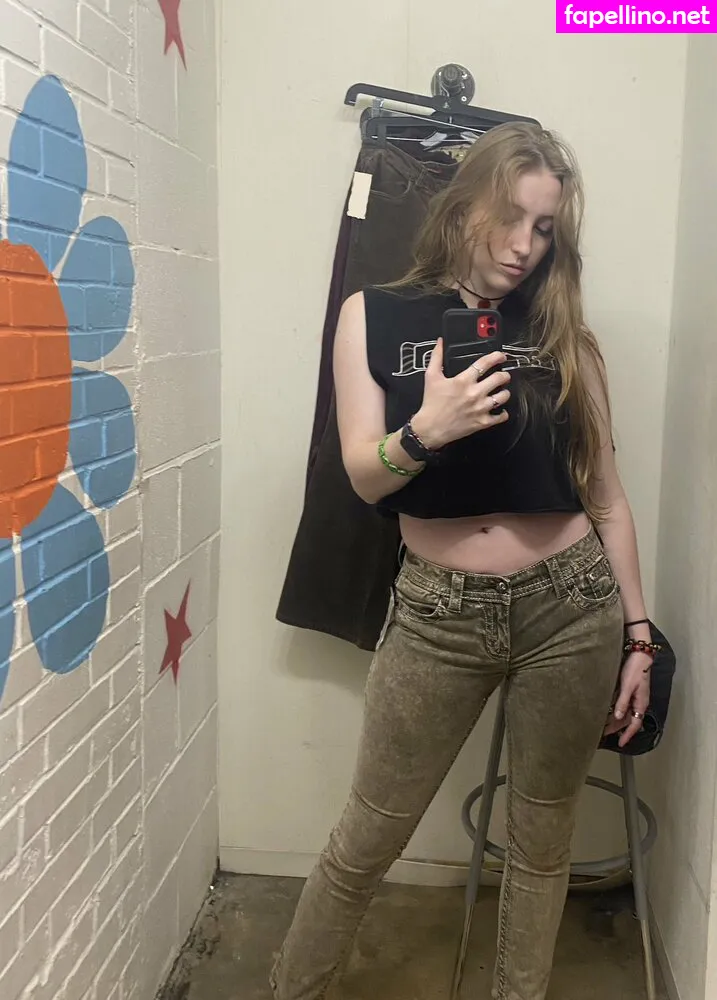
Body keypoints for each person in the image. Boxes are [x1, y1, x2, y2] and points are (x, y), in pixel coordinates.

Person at [270, 122, 657, 1000]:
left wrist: (639, 636)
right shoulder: (372, 314)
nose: (524, 245)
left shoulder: (563, 334)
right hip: (437, 615)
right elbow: (364, 476)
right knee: (369, 835)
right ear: (462, 205)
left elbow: (606, 496)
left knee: (541, 841)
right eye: (508, 216)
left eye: (544, 227)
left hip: (571, 607)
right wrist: (425, 430)